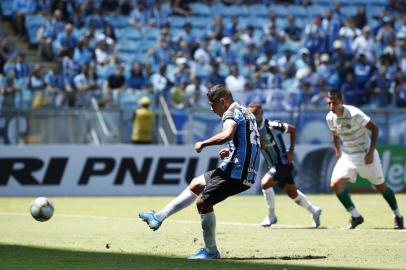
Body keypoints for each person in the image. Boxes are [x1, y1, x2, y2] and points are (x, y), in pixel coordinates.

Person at [139, 84, 261, 259]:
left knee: (203, 203)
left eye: (213, 105)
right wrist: (231, 149)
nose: (212, 110)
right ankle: (158, 216)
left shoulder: (230, 113)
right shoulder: (245, 111)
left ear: (223, 101)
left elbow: (227, 134)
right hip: (240, 168)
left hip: (237, 170)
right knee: (196, 183)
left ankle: (211, 251)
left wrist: (203, 143)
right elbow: (248, 139)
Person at [325, 90, 404, 229]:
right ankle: (356, 216)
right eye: (329, 103)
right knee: (335, 184)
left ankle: (398, 215)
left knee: (381, 187)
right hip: (348, 156)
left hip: (365, 154)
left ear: (341, 102)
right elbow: (335, 135)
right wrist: (338, 151)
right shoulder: (330, 117)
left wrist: (371, 152)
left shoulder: (354, 113)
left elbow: (375, 129)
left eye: (334, 102)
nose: (331, 106)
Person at [247, 103, 322, 228]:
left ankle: (271, 216)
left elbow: (292, 129)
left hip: (283, 162)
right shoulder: (252, 130)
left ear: (261, 114)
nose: (253, 117)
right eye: (250, 115)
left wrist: (291, 152)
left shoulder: (271, 125)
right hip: (274, 165)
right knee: (293, 193)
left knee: (265, 183)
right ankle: (314, 211)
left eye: (255, 114)